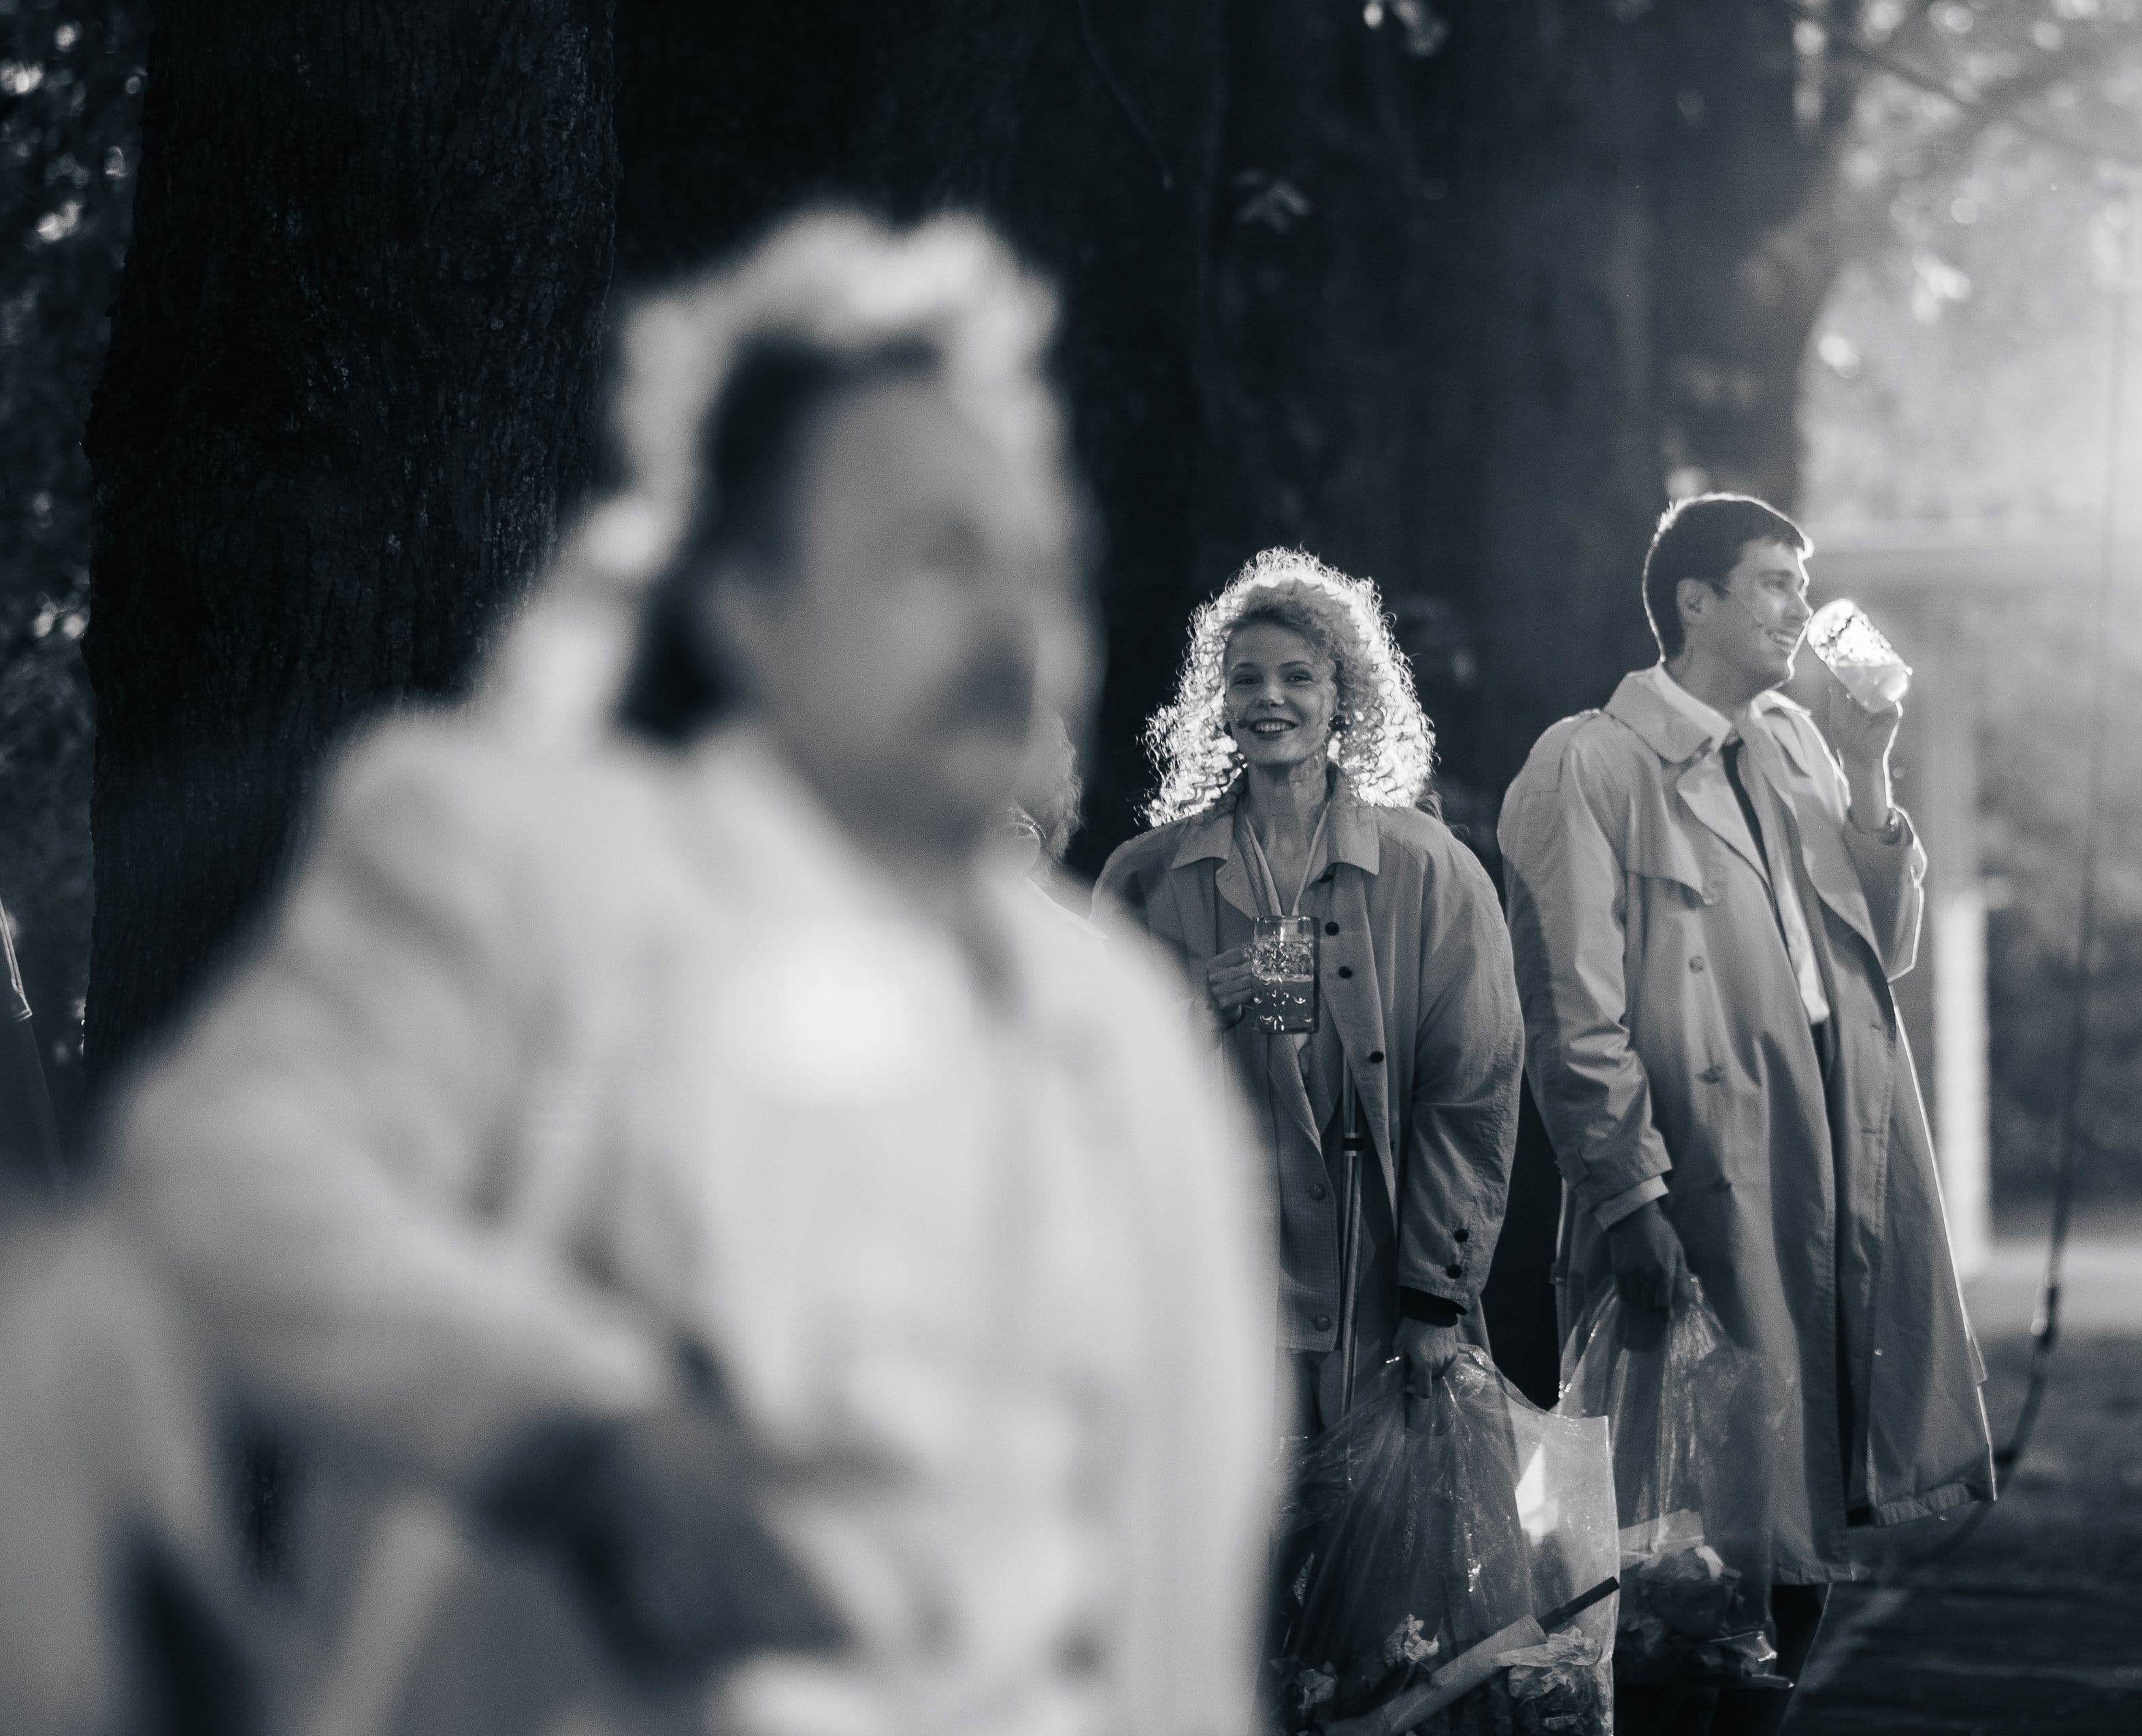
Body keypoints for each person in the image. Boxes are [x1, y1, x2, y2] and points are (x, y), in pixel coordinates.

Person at [106, 210, 1274, 1736]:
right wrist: (577, 1431)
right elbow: (220, 1171)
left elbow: (1177, 1616)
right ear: (748, 602)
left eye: (1040, 570)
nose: (1012, 625)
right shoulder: (504, 856)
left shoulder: (1119, 1024)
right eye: (935, 555)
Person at [1499, 493, 1994, 1736]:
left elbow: (1887, 946)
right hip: (1702, 1174)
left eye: (1801, 583)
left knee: (1803, 1511)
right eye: (1774, 582)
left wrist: (1871, 767)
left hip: (1837, 1152)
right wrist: (1629, 1196)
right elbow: (1572, 1009)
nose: (1799, 608)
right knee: (1687, 1537)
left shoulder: (1796, 740)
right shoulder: (1590, 763)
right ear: (1695, 601)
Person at [1095, 550, 1523, 1437]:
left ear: (1343, 699)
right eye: (1245, 678)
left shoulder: (1430, 870)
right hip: (1216, 1282)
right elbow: (1100, 1079)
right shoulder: (1147, 877)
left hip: (1378, 1279)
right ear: (1220, 703)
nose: (1270, 698)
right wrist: (1204, 1000)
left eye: (1298, 677)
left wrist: (1435, 1296)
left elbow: (1471, 1087)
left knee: (1378, 1522)